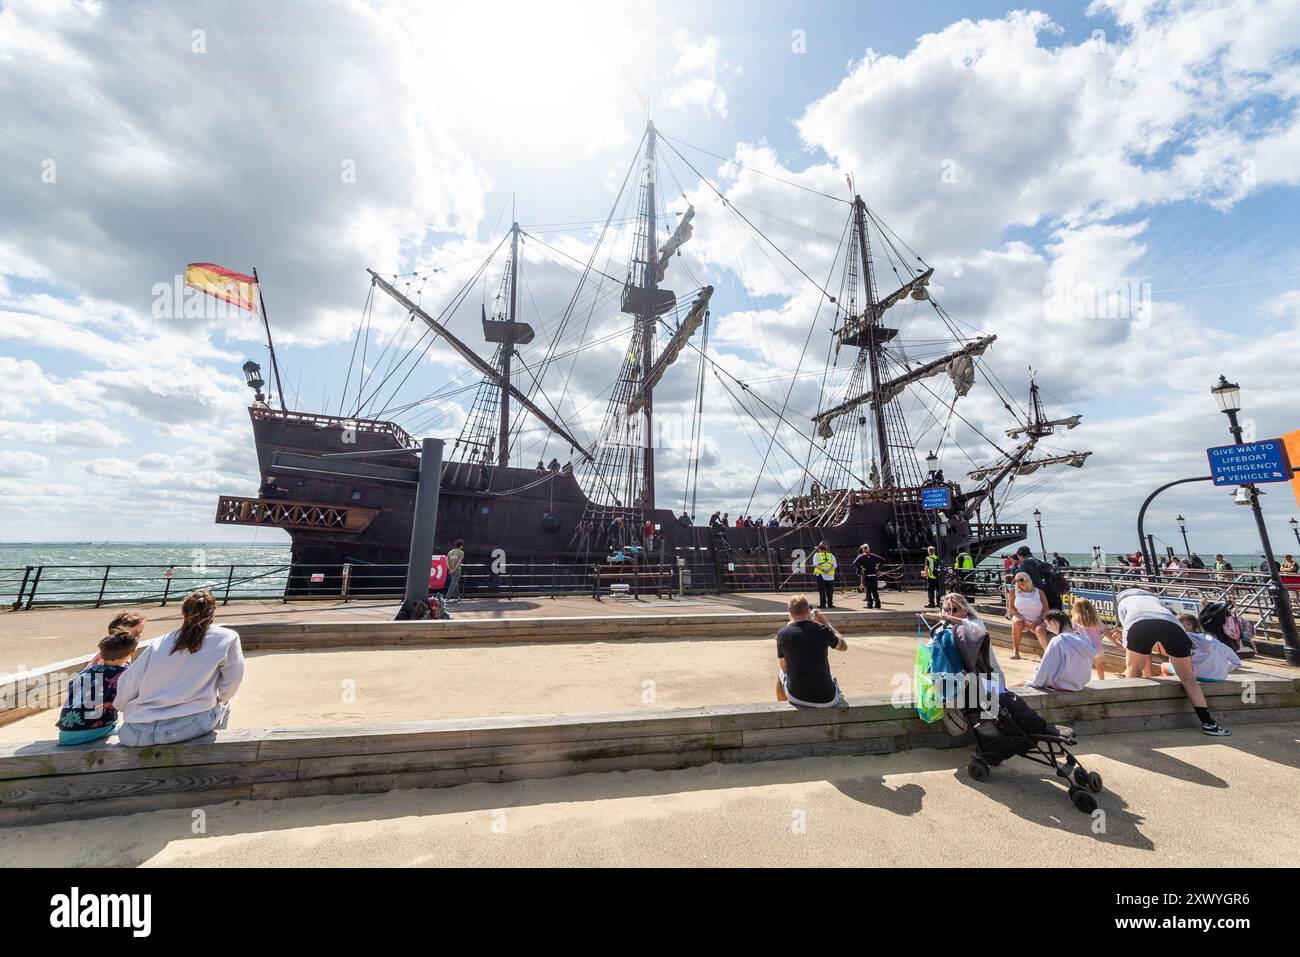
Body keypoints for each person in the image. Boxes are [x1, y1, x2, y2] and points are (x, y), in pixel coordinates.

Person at [114, 590, 245, 747]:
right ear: (214, 610)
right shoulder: (227, 637)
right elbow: (231, 684)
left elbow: (128, 685)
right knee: (226, 704)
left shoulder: (160, 642)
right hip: (188, 727)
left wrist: (123, 707)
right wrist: (217, 698)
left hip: (135, 732)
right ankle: (211, 756)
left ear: (183, 612)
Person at [1106, 588, 1230, 736]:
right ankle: (1208, 722)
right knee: (1188, 678)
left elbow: (1129, 635)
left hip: (1138, 624)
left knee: (1133, 668)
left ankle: (1131, 716)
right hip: (1172, 626)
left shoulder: (1124, 602)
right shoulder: (1156, 600)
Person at [54, 629, 139, 745]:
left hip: (66, 733)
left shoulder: (89, 670)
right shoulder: (125, 674)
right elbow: (127, 702)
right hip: (94, 730)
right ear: (133, 652)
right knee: (126, 731)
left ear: (101, 654)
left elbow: (71, 686)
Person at [775, 595, 847, 708]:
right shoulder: (822, 630)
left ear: (790, 613)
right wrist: (825, 623)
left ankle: (782, 708)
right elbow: (843, 646)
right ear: (808, 610)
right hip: (828, 698)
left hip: (797, 697)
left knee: (781, 671)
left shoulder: (782, 634)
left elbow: (784, 668)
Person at [1027, 610, 1097, 692]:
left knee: (1022, 682)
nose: (1048, 629)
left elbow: (1047, 668)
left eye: (1047, 625)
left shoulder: (1059, 640)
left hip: (1061, 685)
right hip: (1079, 685)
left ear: (1053, 623)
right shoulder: (1085, 640)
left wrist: (1034, 682)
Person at [1165, 612, 1241, 683]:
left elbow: (1175, 660)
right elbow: (1236, 661)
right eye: (1183, 624)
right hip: (1220, 678)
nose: (1185, 626)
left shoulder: (1181, 638)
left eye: (1188, 624)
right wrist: (1224, 669)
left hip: (1198, 676)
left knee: (1164, 666)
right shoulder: (1210, 639)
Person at [1071, 597, 1119, 682]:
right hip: (1097, 647)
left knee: (1084, 666)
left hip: (1085, 646)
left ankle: (1082, 682)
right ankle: (1102, 681)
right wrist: (1117, 644)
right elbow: (1106, 632)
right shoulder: (1096, 620)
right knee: (1099, 666)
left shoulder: (1076, 620)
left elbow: (1076, 632)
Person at [1007, 571, 1048, 659]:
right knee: (1018, 623)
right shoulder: (1013, 592)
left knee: (1040, 629)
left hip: (1038, 619)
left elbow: (1046, 610)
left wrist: (1039, 620)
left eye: (1021, 580)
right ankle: (1016, 652)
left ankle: (1048, 654)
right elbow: (1012, 610)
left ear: (1027, 579)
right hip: (1021, 618)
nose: (1018, 582)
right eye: (1016, 581)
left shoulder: (1039, 592)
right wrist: (1025, 620)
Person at [1014, 545, 1062, 611]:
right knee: (1056, 617)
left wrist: (1014, 566)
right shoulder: (1038, 561)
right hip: (1052, 590)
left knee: (1046, 616)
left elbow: (1017, 575)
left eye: (1018, 557)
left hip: (1042, 594)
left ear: (1021, 556)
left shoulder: (1025, 563)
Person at [853, 543, 884, 608]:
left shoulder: (861, 556)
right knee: (875, 591)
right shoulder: (873, 556)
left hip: (867, 576)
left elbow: (854, 563)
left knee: (868, 591)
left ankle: (870, 605)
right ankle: (878, 605)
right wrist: (878, 566)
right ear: (868, 549)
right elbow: (883, 560)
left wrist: (861, 568)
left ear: (863, 550)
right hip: (874, 576)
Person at [811, 542, 838, 609]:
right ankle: (830, 605)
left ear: (819, 550)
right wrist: (828, 570)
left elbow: (816, 564)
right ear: (826, 550)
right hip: (831, 576)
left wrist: (823, 570)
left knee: (822, 591)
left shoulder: (816, 555)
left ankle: (823, 605)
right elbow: (835, 566)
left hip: (821, 575)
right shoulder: (831, 555)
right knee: (830, 591)